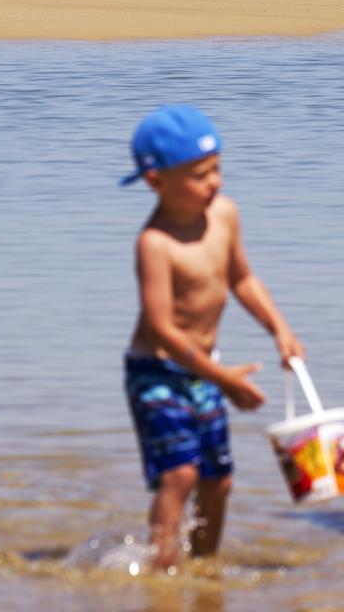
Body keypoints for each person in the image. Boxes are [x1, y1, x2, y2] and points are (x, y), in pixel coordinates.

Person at [120, 105, 304, 570]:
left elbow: (242, 279)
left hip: (207, 368)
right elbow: (163, 327)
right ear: (156, 181)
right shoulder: (155, 243)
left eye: (217, 169)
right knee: (180, 474)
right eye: (200, 175)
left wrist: (280, 329)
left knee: (217, 480)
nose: (214, 182)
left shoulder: (225, 215)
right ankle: (162, 573)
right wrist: (223, 379)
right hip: (157, 371)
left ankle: (203, 570)